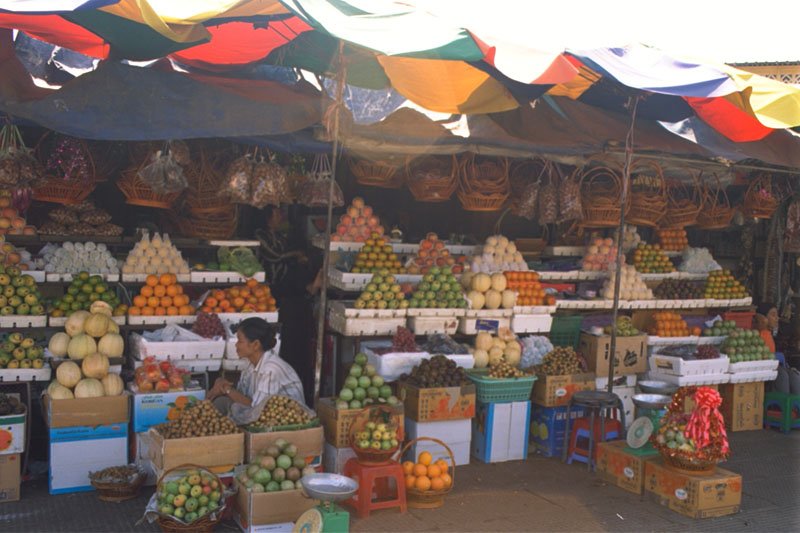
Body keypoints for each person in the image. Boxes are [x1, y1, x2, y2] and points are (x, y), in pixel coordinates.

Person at [255, 205, 321, 405]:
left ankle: (298, 396)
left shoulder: (283, 238)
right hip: (276, 298)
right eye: (278, 211)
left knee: (297, 350)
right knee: (286, 348)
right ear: (267, 215)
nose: (282, 215)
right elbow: (273, 256)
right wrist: (296, 255)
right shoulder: (261, 235)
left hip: (294, 300)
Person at [207, 317, 305, 424]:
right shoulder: (250, 365)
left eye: (240, 340)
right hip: (261, 414)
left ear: (255, 345)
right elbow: (242, 397)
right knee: (221, 403)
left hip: (286, 422)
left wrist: (226, 389)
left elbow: (258, 409)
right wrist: (221, 386)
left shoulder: (271, 369)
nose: (236, 345)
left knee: (224, 405)